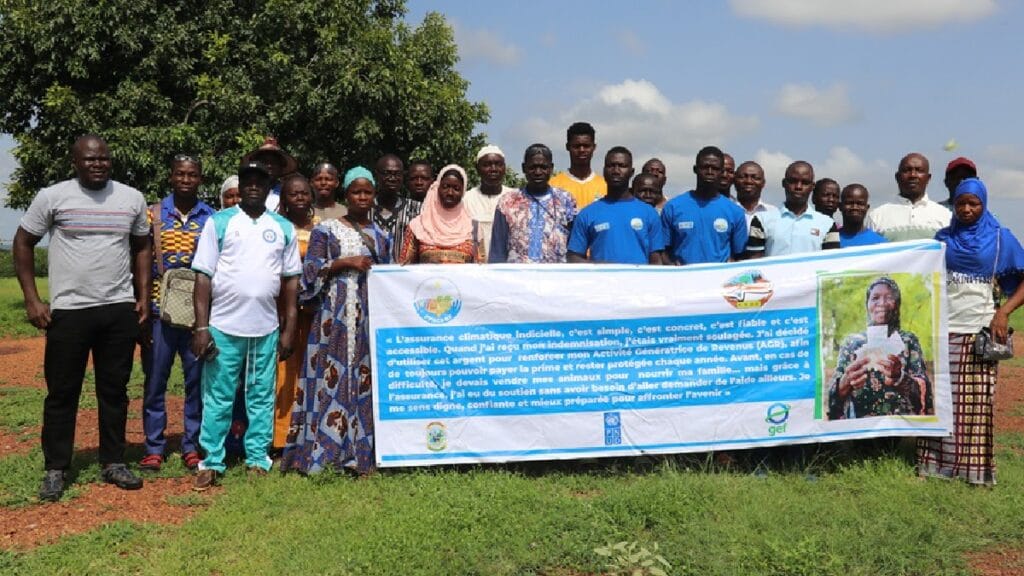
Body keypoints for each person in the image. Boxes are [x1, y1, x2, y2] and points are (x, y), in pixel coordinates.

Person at [14, 134, 150, 501]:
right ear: (75, 162)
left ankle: (114, 461)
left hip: (118, 308)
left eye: (103, 158)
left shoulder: (131, 198)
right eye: (90, 159)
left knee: (114, 390)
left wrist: (142, 297)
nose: (98, 164)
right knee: (62, 392)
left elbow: (142, 247)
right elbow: (23, 242)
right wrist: (32, 300)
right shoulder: (52, 196)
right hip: (69, 312)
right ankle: (56, 467)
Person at [190, 160, 301, 490]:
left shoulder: (282, 227)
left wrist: (289, 329)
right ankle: (211, 461)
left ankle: (257, 459)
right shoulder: (219, 222)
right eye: (248, 181)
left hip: (265, 329)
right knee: (218, 396)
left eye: (260, 181)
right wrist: (201, 328)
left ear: (268, 188)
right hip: (223, 327)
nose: (254, 186)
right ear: (240, 186)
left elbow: (291, 282)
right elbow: (202, 277)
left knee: (261, 396)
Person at [280, 167, 390, 475]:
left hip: (366, 318)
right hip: (332, 318)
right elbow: (309, 273)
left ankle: (360, 454)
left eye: (367, 192)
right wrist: (342, 263)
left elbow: (388, 277)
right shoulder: (326, 230)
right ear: (347, 194)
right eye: (356, 192)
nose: (362, 197)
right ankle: (322, 453)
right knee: (329, 378)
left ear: (373, 196)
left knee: (363, 379)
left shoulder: (382, 236)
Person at [918, 177, 1024, 487]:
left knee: (977, 406)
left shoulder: (1001, 239)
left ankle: (975, 473)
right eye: (960, 203)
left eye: (973, 203)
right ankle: (934, 467)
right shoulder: (942, 239)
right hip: (942, 332)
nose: (966, 209)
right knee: (939, 402)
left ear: (984, 204)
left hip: (979, 332)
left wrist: (1003, 312)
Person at [139, 154, 215, 473]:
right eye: (180, 174)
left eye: (192, 174)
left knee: (196, 382)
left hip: (198, 315)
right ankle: (154, 446)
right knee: (155, 379)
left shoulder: (211, 217)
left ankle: (191, 445)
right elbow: (141, 259)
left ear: (200, 179)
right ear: (171, 176)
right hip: (160, 311)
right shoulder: (153, 214)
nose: (186, 179)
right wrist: (142, 303)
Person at [827, 277, 931, 419]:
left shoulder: (908, 341)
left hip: (900, 425)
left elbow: (923, 394)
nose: (882, 303)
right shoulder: (852, 343)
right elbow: (833, 396)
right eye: (875, 298)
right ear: (867, 304)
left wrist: (899, 377)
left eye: (889, 298)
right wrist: (846, 381)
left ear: (897, 304)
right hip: (862, 426)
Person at [272, 174, 317, 450]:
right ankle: (281, 438)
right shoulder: (275, 227)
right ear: (284, 199)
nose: (299, 197)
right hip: (280, 309)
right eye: (293, 193)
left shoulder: (322, 228)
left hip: (313, 312)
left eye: (304, 193)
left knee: (310, 370)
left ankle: (309, 434)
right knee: (284, 371)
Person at [567, 147, 663, 265]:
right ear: (604, 171)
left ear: (631, 172)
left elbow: (656, 260)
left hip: (638, 277)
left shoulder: (649, 213)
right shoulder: (587, 214)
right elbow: (573, 257)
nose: (616, 171)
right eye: (611, 166)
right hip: (601, 277)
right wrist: (598, 267)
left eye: (622, 166)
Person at [489, 144, 578, 263]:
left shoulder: (566, 200)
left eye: (543, 167)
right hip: (517, 273)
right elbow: (497, 251)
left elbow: (575, 248)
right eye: (532, 167)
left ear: (551, 168)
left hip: (556, 273)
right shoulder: (507, 202)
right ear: (524, 168)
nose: (538, 172)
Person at [661, 146, 748, 264]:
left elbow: (740, 256)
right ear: (695, 169)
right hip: (684, 275)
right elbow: (663, 251)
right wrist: (673, 267)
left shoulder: (735, 212)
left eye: (715, 168)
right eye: (705, 167)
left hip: (720, 275)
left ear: (722, 172)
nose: (710, 172)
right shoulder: (673, 207)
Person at [747, 161, 840, 257]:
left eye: (805, 182)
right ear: (784, 183)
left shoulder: (828, 224)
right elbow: (754, 260)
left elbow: (832, 262)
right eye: (793, 181)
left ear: (812, 187)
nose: (798, 187)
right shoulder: (762, 220)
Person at [400, 164, 484, 264]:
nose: (450, 193)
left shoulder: (474, 228)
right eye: (445, 187)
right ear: (438, 188)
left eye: (456, 188)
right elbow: (404, 267)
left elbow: (481, 267)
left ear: (463, 192)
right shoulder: (418, 225)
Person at [866, 153, 951, 242]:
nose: (913, 175)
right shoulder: (877, 216)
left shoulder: (945, 216)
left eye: (919, 170)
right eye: (907, 170)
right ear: (897, 177)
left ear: (928, 178)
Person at [463, 145, 515, 253]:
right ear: (477, 168)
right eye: (487, 165)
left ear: (504, 168)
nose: (493, 169)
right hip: (474, 261)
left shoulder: (515, 198)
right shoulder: (466, 199)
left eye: (498, 164)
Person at [372, 153, 419, 261]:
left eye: (397, 174)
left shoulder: (418, 210)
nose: (392, 178)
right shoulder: (364, 210)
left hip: (405, 271)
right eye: (387, 173)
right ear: (377, 175)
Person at [549, 122, 606, 210]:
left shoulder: (606, 186)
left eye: (586, 146)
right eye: (576, 146)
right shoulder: (553, 185)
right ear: (567, 147)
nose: (581, 150)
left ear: (594, 147)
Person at [242, 136, 299, 212]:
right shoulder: (245, 189)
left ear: (281, 167)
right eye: (265, 162)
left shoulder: (287, 192)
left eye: (274, 162)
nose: (269, 166)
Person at [733, 161, 777, 229]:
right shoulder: (726, 210)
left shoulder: (774, 214)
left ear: (763, 183)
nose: (749, 181)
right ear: (734, 181)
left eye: (755, 178)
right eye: (743, 177)